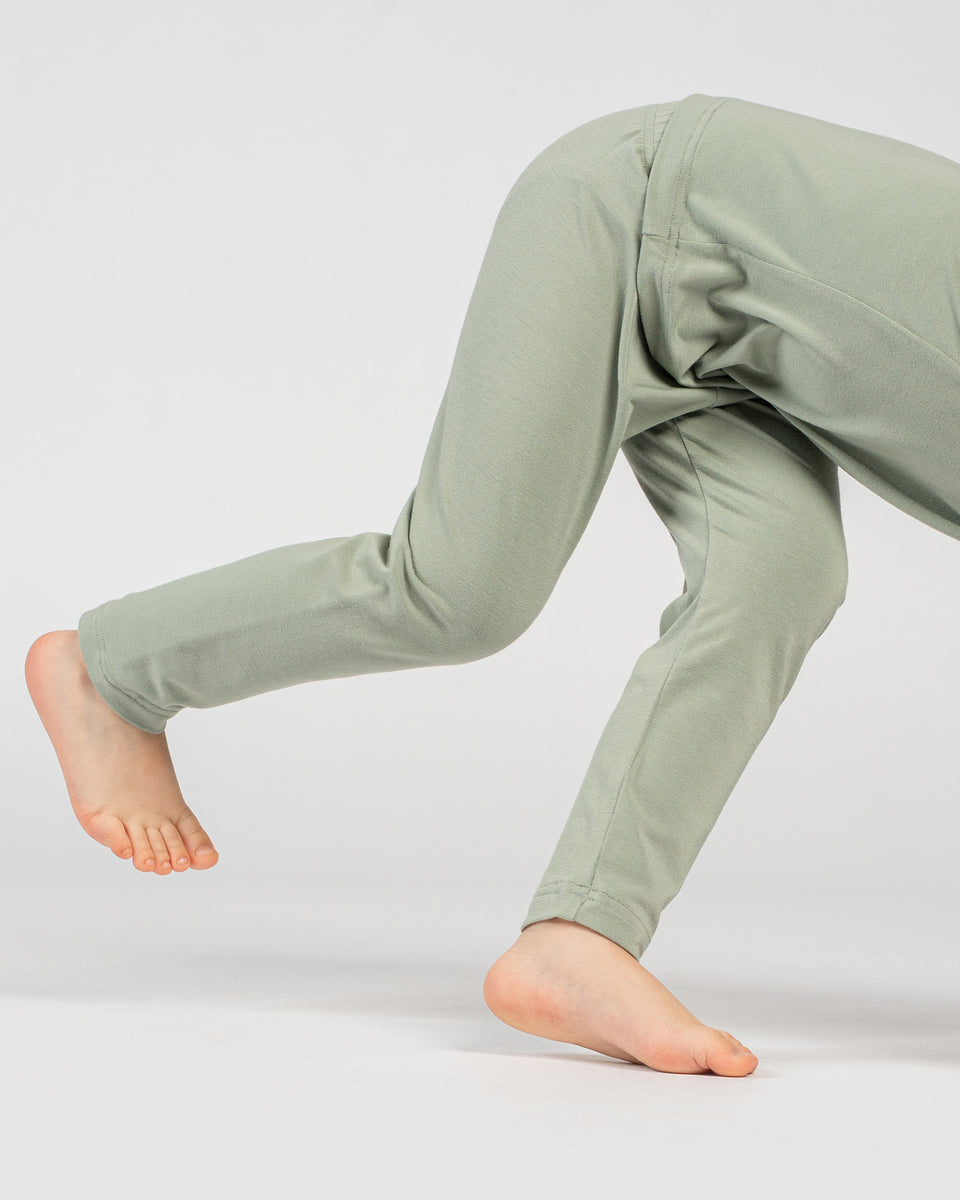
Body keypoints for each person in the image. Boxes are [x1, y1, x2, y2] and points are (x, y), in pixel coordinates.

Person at [25, 93, 960, 1078]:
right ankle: (109, 670)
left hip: (728, 330)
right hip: (634, 208)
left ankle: (578, 940)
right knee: (460, 589)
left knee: (778, 574)